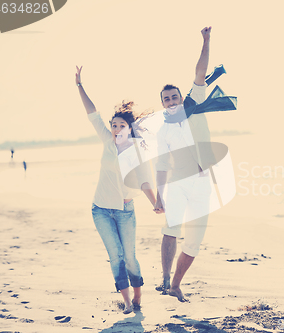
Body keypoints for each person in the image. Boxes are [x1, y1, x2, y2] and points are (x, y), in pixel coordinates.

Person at [75, 66, 157, 314]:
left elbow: (145, 181)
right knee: (115, 255)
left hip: (125, 210)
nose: (116, 129)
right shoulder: (107, 142)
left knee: (129, 256)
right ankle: (128, 302)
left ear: (129, 128)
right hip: (100, 209)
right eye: (114, 125)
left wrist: (156, 203)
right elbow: (92, 114)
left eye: (121, 125)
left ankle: (139, 294)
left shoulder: (138, 151)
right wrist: (79, 85)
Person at [154, 26, 213, 302]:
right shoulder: (163, 132)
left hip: (202, 184)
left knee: (194, 242)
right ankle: (165, 279)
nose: (171, 100)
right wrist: (158, 195)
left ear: (181, 97)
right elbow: (162, 165)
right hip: (178, 183)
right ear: (163, 104)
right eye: (166, 99)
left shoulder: (194, 103)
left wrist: (206, 41)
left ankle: (176, 283)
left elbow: (200, 72)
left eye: (174, 96)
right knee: (170, 230)